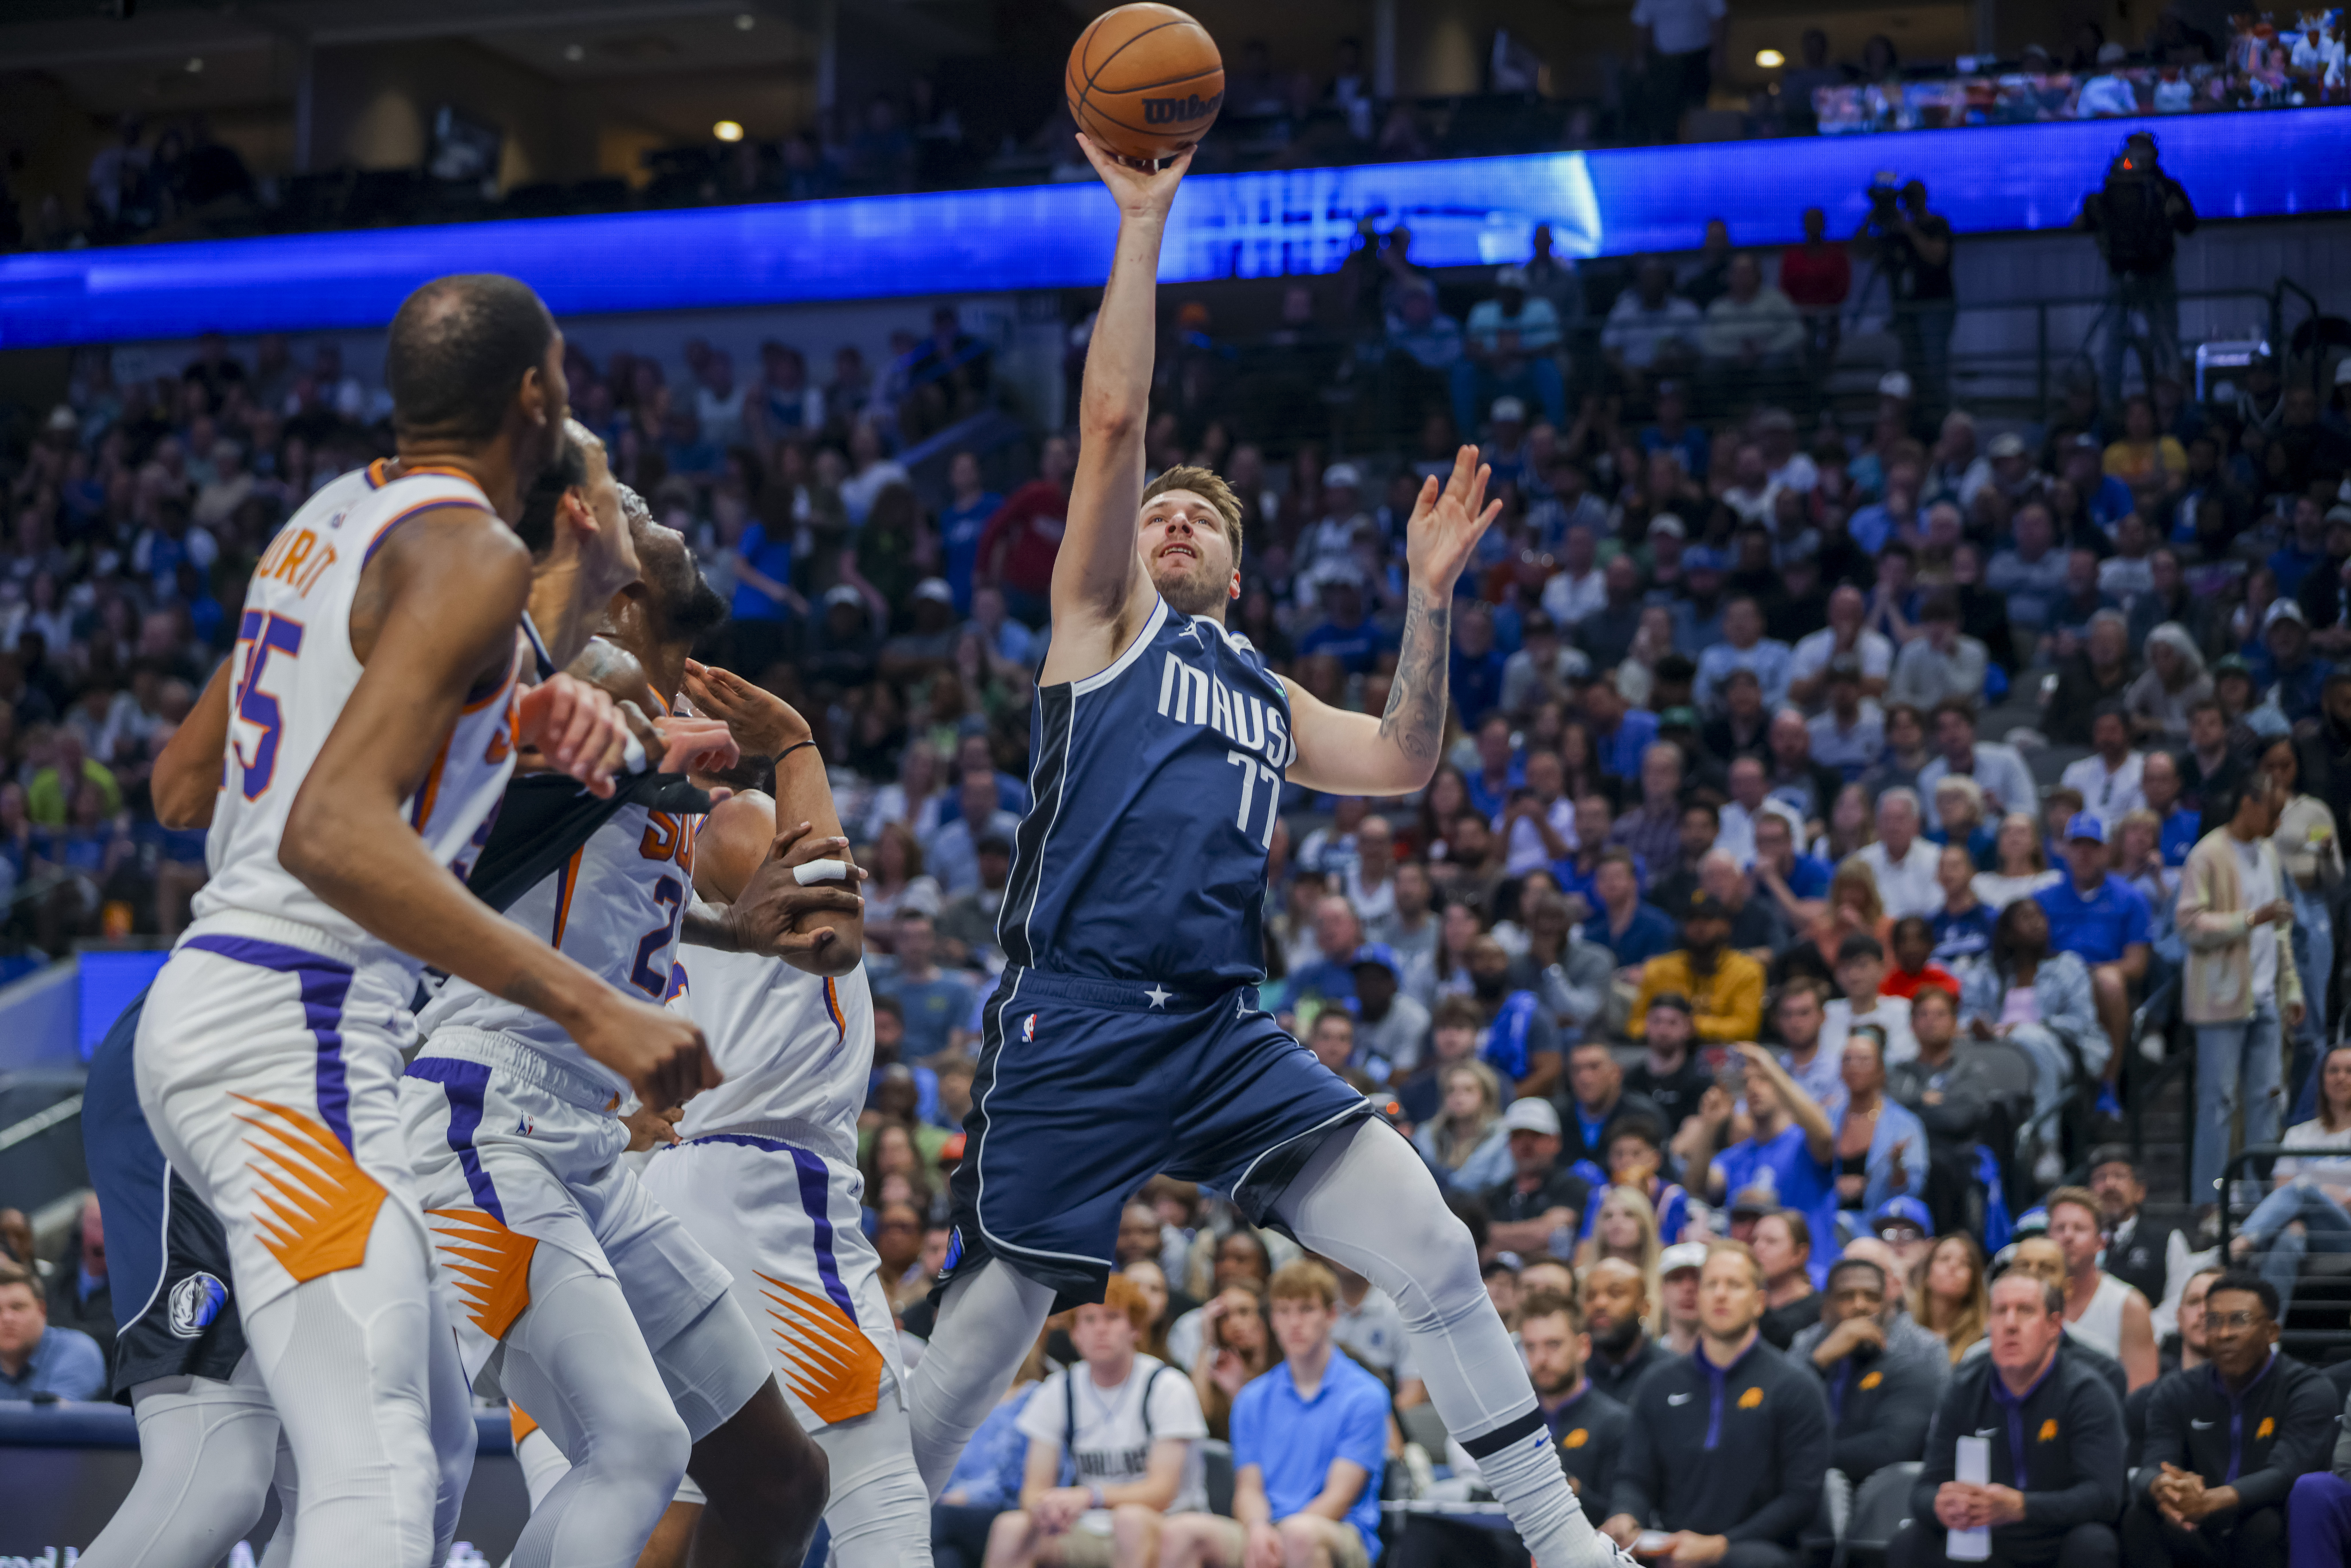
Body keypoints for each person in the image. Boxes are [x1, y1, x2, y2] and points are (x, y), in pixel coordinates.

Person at [909, 141, 1601, 1568]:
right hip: (1078, 1015)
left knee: (1439, 1252)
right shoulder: (1103, 624)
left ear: (1239, 569)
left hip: (1220, 1030)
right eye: (1160, 509)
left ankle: (1570, 1548)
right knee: (980, 1349)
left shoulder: (1266, 696)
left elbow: (1406, 762)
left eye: (1199, 518)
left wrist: (1425, 600)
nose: (1168, 517)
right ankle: (841, 1546)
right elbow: (1111, 428)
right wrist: (1143, 220)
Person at [129, 277, 681, 1568]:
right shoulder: (477, 549)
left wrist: (496, 725)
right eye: (566, 373)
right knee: (373, 1463)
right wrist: (592, 1002)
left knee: (428, 1451)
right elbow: (330, 829)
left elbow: (181, 785)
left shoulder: (324, 522)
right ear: (534, 395)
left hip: (266, 1019)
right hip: (291, 1025)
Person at [1602, 1242, 1832, 1567]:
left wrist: (1720, 1546)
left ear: (1758, 1302)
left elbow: (1800, 1499)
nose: (1720, 1295)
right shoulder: (1657, 1384)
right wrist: (1625, 1515)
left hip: (1766, 1550)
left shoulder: (1796, 1386)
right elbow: (1634, 1476)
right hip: (1672, 1546)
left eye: (1734, 1285)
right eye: (1711, 1284)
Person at [1159, 1262, 1388, 1568]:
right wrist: (1256, 1528)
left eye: (1306, 1309)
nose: (1294, 1322)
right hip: (1267, 1528)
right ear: (1272, 1320)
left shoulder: (1365, 1395)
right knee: (1180, 1531)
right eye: (1283, 1311)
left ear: (1330, 1315)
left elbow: (1339, 1497)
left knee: (1300, 1534)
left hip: (1340, 1533)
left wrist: (1278, 1536)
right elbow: (1248, 1489)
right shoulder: (1252, 1398)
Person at [1892, 1273, 2126, 1568]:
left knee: (2093, 1542)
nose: (2010, 1324)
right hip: (1988, 1540)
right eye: (2000, 1311)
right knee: (1911, 1541)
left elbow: (2104, 1498)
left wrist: (2022, 1507)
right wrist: (1940, 1504)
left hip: (2056, 1538)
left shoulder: (2086, 1392)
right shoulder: (1964, 1388)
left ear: (2053, 1325)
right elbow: (1925, 1488)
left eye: (2025, 1311)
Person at [1395, 1291, 1628, 1567]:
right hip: (1507, 1543)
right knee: (1424, 1529)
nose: (1541, 1359)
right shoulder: (1510, 1418)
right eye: (1531, 1347)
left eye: (1553, 1345)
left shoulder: (1614, 1422)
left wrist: (1572, 1489)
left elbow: (1620, 1522)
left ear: (1583, 1347)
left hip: (1577, 1549)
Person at [990, 1275, 1208, 1568]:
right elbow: (1033, 1490)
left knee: (1129, 1520)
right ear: (1074, 1334)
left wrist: (1090, 1496)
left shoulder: (1167, 1386)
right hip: (1089, 1525)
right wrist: (1047, 1508)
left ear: (1135, 1328)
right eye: (1089, 1319)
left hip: (1167, 1522)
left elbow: (1162, 1492)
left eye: (1112, 1317)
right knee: (1011, 1527)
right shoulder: (1058, 1388)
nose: (1100, 1329)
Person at [2124, 1271, 2335, 1568]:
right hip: (2197, 1528)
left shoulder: (2305, 1388)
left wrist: (2212, 1500)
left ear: (2272, 1331)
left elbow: (2286, 1473)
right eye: (2213, 1321)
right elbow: (2151, 1465)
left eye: (2238, 1320)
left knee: (2266, 1522)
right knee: (2141, 1518)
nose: (2223, 1334)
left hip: (2263, 1524)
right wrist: (2164, 1486)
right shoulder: (2176, 1390)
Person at [2179, 773, 2304, 1216]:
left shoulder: (2269, 852)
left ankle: (2258, 1196)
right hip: (2220, 1000)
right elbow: (2190, 925)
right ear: (2248, 804)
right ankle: (2210, 1199)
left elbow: (2281, 927)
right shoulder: (2208, 854)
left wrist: (2291, 986)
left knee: (2269, 1096)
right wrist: (2249, 920)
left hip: (2266, 992)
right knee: (2218, 1103)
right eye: (2273, 812)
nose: (2277, 822)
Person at [2227, 1043, 2351, 1320]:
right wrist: (2329, 1195)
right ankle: (2270, 1334)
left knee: (2302, 1187)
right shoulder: (2299, 1134)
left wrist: (2313, 1193)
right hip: (2306, 1231)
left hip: (2345, 1236)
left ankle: (2237, 1245)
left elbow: (2296, 1191)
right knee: (2289, 1237)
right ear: (2321, 1079)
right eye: (2332, 1071)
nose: (2340, 1077)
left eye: (2348, 1071)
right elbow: (2281, 1191)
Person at [1802, 1255, 1948, 1491]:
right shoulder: (1808, 1345)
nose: (1860, 1306)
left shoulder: (1919, 1352)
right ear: (1826, 1306)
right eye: (1846, 1297)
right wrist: (1818, 1363)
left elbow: (1894, 1446)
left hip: (1886, 1488)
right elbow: (1772, 1419)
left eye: (1872, 1297)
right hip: (1809, 1484)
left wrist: (1799, 1456)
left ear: (1889, 1305)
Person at [2035, 813, 2154, 1102]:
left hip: (2103, 979)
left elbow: (2137, 963)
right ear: (2064, 850)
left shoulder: (2130, 898)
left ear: (2106, 851)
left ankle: (2108, 1085)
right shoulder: (2043, 899)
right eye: (2077, 846)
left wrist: (2092, 973)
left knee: (2109, 982)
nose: (2084, 854)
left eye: (2092, 846)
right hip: (2055, 980)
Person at [2075, 131, 2198, 410]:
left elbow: (2189, 225)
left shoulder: (2166, 188)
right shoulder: (2111, 190)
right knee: (2113, 342)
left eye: (2143, 149)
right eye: (2133, 149)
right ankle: (2111, 404)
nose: (2137, 156)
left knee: (2165, 340)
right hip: (2119, 276)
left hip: (2157, 276)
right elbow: (2092, 222)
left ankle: (2172, 403)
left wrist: (2175, 214)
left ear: (2154, 153)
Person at [1692, 1044, 1841, 1273]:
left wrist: (1771, 1067)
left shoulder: (1803, 1145)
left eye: (1763, 1079)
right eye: (1747, 1082)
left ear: (1782, 1084)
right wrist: (1710, 1128)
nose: (1753, 1088)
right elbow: (1697, 1188)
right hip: (1754, 1281)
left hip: (1810, 1275)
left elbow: (1825, 1138)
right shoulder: (1734, 1158)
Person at [2043, 1187, 2160, 1391]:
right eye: (2060, 1229)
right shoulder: (2027, 1302)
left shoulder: (2129, 1307)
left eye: (2079, 1229)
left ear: (2101, 1243)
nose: (2068, 1236)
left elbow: (2139, 1402)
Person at [1628, 891, 1767, 1043]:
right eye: (1692, 920)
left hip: (1722, 1050)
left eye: (1708, 919)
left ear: (1725, 926)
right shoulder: (1658, 969)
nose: (1700, 927)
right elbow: (1635, 1026)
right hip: (1667, 1050)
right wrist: (1665, 1029)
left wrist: (1693, 1026)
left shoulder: (1747, 970)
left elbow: (1747, 1027)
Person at [2086, 1147, 2188, 1333]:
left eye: (2120, 1176)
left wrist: (2138, 1332)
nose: (2109, 1185)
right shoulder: (2076, 1240)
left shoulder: (2168, 1240)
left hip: (2150, 1341)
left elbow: (2179, 1303)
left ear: (2140, 1191)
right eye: (2100, 1178)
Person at [1481, 1098, 1593, 1261]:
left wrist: (1493, 1235)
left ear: (1555, 1142)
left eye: (1535, 1135)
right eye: (1518, 1136)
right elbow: (1478, 1241)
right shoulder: (1495, 1194)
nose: (1526, 1144)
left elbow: (1547, 1233)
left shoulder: (1573, 1186)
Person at [1918, 701, 2038, 831]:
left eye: (1957, 725)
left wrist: (1999, 809)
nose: (1952, 734)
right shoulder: (1928, 778)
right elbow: (1935, 828)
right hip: (1953, 846)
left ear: (1972, 728)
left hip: (2003, 839)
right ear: (1935, 738)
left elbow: (2031, 814)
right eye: (1943, 728)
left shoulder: (2007, 760)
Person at [0, 1258, 106, 1401]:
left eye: (18, 1308)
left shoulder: (77, 1350)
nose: (7, 1319)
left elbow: (54, 1420)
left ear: (42, 1311)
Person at [1581, 1256, 1670, 1402]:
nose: (1600, 1303)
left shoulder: (1669, 1372)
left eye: (1615, 1294)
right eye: (1591, 1296)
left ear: (1644, 1308)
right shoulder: (1573, 1374)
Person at [1859, 789, 1944, 920]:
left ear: (1916, 823)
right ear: (1877, 824)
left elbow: (1936, 910)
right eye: (1887, 819)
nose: (1893, 827)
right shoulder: (1862, 862)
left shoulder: (1936, 858)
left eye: (1900, 819)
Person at [2059, 708, 2147, 832]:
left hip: (2125, 843)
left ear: (2128, 732)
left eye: (2113, 730)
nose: (2106, 737)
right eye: (2100, 731)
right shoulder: (2076, 771)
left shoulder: (2145, 769)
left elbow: (2141, 819)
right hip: (2083, 841)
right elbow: (2065, 815)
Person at [1912, 1233, 1991, 1365]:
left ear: (1973, 1283)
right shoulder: (1904, 1331)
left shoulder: (1984, 1341)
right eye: (1944, 1259)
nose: (1953, 1266)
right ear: (1927, 1275)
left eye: (1965, 1263)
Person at [1753, 1209, 1822, 1348]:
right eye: (1754, 1240)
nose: (1758, 1248)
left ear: (1800, 1254)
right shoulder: (1746, 1302)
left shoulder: (1820, 1310)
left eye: (1771, 1242)